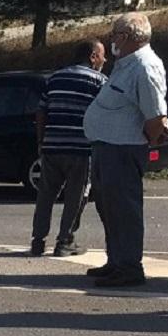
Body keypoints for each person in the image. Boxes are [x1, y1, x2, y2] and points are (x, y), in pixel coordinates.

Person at [83, 12, 167, 287]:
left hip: (123, 149)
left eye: (116, 34)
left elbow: (155, 116)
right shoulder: (125, 63)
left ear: (130, 37)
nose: (112, 39)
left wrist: (151, 139)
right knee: (109, 208)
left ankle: (129, 267)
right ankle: (117, 260)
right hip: (108, 146)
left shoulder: (145, 66)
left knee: (123, 210)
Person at [30, 40, 107, 257]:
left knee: (45, 195)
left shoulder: (55, 78)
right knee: (76, 197)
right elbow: (105, 113)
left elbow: (41, 112)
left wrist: (41, 142)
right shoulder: (99, 81)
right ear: (93, 56)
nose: (105, 60)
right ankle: (64, 241)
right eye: (102, 55)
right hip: (81, 148)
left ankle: (38, 240)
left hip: (53, 145)